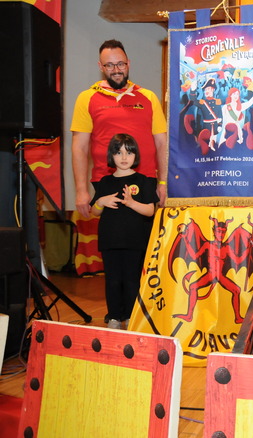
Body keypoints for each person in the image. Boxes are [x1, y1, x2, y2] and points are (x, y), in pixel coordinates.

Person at [72, 39, 168, 218]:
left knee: (144, 234)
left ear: (128, 63)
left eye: (120, 64)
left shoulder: (149, 97)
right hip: (106, 180)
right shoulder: (86, 98)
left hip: (146, 179)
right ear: (100, 67)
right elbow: (80, 147)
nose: (116, 70)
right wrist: (81, 190)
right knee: (113, 232)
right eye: (109, 65)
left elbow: (162, 143)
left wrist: (163, 183)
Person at [90, 134, 158, 329]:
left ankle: (130, 316)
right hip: (110, 241)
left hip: (134, 241)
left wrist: (131, 202)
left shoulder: (143, 181)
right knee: (112, 281)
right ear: (111, 156)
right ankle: (113, 316)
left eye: (129, 152)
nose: (124, 157)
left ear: (135, 156)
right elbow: (94, 212)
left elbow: (150, 210)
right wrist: (101, 202)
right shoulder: (105, 182)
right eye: (118, 153)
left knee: (131, 280)